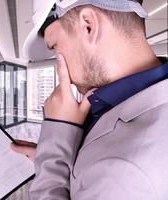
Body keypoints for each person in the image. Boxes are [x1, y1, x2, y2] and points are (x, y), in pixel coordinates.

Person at [11, 0, 168, 199]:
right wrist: (61, 159)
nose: (60, 65)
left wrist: (56, 137)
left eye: (56, 46)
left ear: (88, 26)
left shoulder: (125, 172)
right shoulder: (127, 105)